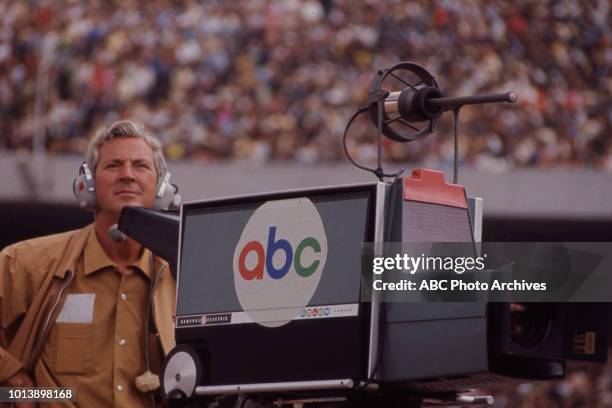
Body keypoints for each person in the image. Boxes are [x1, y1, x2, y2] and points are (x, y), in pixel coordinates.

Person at [0, 120, 177, 407]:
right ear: (88, 184)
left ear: (162, 188)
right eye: (113, 165)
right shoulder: (26, 263)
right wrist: (20, 386)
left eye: (141, 166)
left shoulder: (182, 277)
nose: (127, 175)